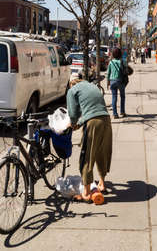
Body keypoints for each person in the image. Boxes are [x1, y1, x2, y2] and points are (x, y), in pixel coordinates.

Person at [67, 73, 112, 202]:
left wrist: (73, 124)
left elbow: (73, 113)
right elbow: (93, 109)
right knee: (101, 152)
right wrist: (81, 123)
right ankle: (102, 183)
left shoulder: (72, 90)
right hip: (106, 119)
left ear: (71, 82)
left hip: (93, 123)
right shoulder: (92, 86)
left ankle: (86, 193)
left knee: (87, 155)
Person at [107, 47, 126, 119]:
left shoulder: (111, 62)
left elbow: (108, 73)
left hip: (112, 81)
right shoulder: (122, 61)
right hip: (120, 80)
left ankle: (115, 114)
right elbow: (126, 70)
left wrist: (108, 83)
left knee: (114, 97)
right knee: (122, 96)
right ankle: (122, 111)